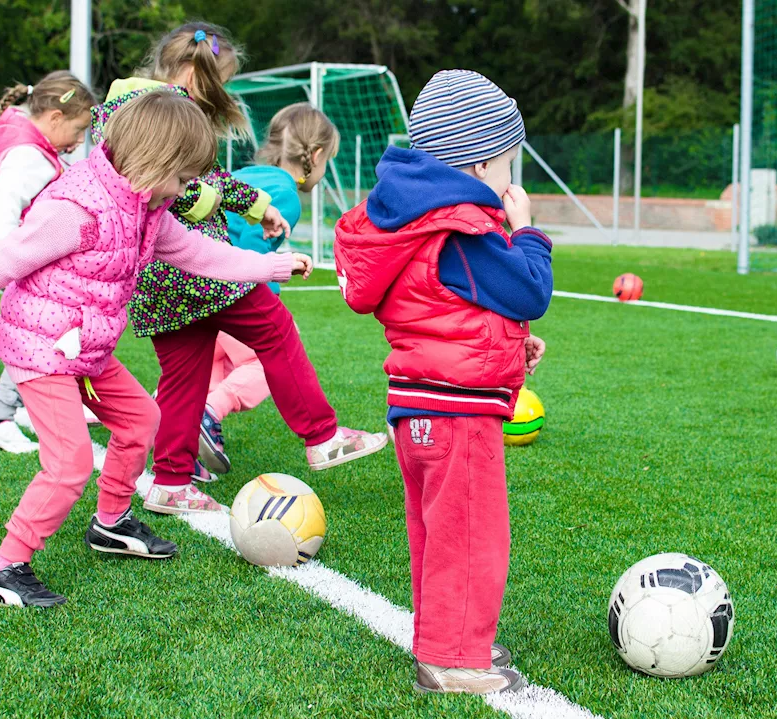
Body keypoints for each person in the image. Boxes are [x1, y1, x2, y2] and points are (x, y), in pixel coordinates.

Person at [0, 91, 314, 608]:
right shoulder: (75, 209)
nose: (188, 191)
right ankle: (4, 569)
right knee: (69, 464)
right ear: (155, 162)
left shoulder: (146, 207)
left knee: (143, 420)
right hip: (42, 351)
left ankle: (111, 523)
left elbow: (196, 252)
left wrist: (270, 266)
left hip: (87, 351)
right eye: (184, 179)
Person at [92, 22, 386, 518]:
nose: (219, 95)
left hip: (156, 278)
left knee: (185, 375)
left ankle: (169, 481)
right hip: (196, 268)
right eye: (217, 82)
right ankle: (322, 435)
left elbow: (207, 177)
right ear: (191, 72)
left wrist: (257, 207)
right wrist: (213, 204)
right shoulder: (158, 111)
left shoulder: (127, 106)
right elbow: (173, 187)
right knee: (274, 329)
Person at [334, 70, 553, 694]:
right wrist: (527, 230)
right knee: (470, 536)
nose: (513, 179)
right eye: (509, 162)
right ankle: (453, 659)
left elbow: (447, 309)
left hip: (422, 406)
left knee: (438, 534)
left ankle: (447, 638)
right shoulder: (462, 228)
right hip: (456, 415)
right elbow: (529, 288)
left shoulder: (417, 221)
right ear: (481, 162)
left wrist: (511, 347)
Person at [197, 103, 340, 475]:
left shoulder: (246, 175)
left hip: (194, 288)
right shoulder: (287, 196)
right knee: (265, 360)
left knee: (208, 365)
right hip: (227, 291)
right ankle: (210, 413)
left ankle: (169, 419)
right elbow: (250, 253)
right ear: (316, 156)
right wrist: (269, 295)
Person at [0, 70, 97, 454]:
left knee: (46, 336)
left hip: (29, 263)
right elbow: (4, 216)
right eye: (77, 130)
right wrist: (18, 261)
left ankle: (12, 413)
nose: (78, 142)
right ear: (55, 118)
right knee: (40, 339)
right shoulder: (29, 156)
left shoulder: (33, 148)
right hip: (27, 266)